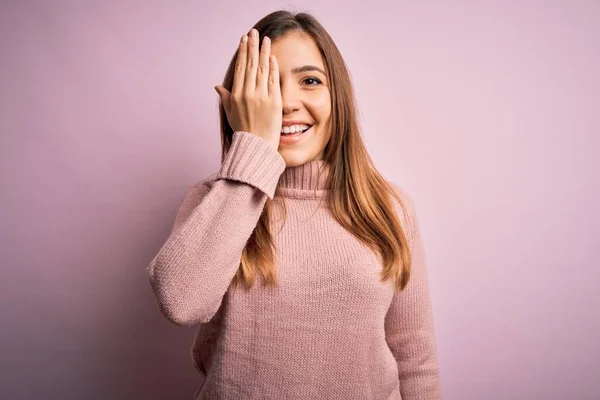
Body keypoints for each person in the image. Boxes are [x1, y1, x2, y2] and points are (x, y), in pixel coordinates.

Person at [147, 9, 442, 400]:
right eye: (267, 86)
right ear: (241, 103)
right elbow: (180, 302)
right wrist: (252, 150)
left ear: (337, 95)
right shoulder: (214, 201)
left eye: (310, 81)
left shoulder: (389, 207)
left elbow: (414, 355)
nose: (286, 103)